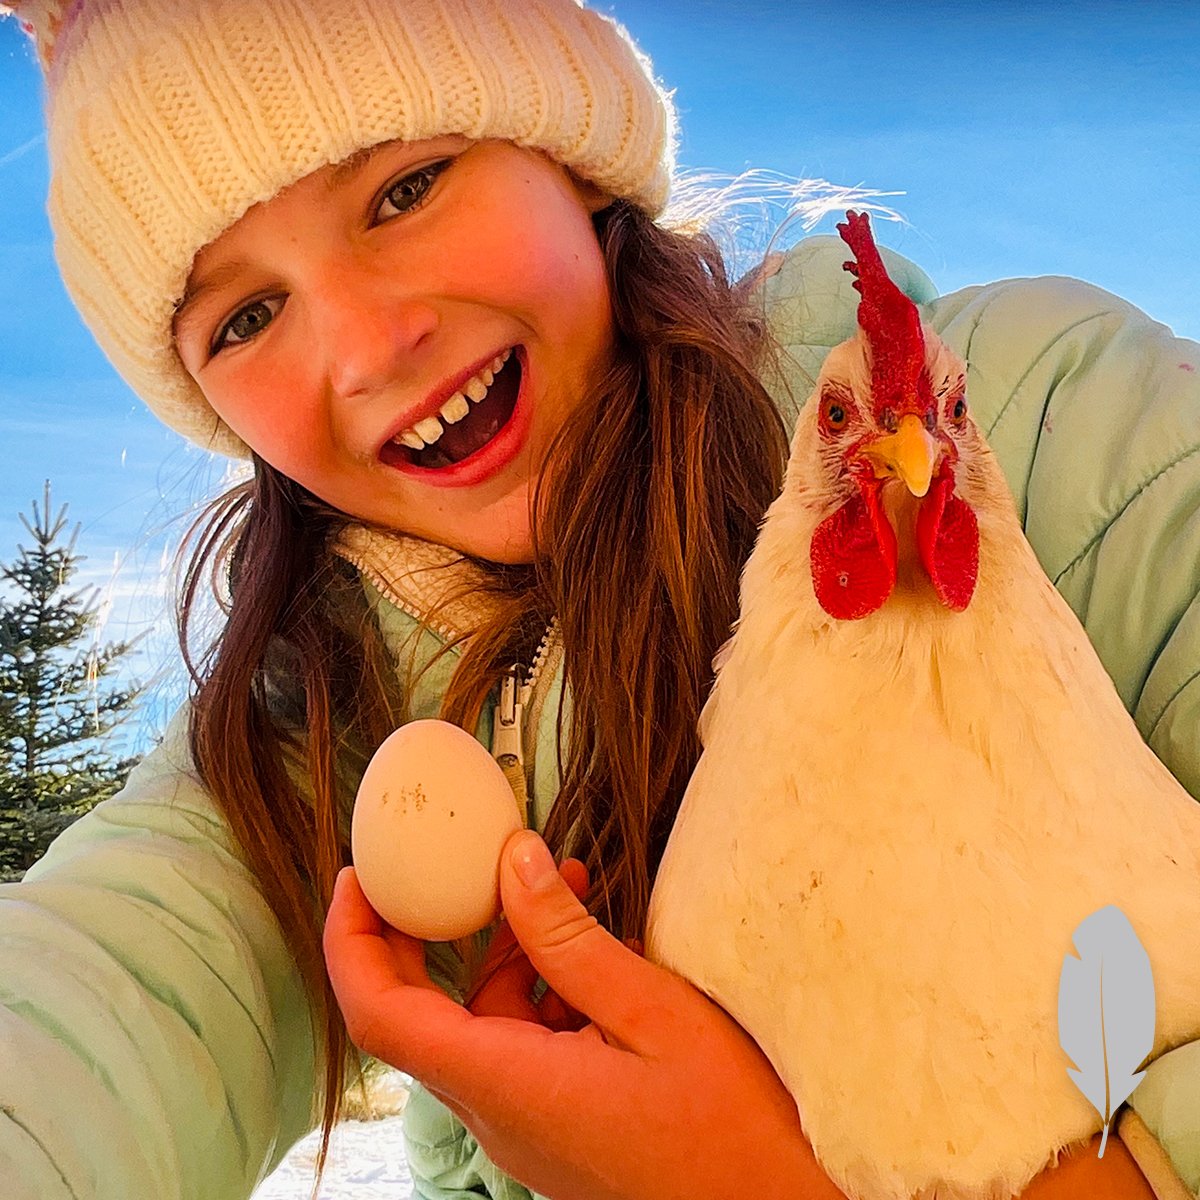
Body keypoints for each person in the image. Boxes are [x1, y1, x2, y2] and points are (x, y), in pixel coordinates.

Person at [1, 1, 1197, 1198]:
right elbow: (88, 1010)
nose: (370, 348)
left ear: (571, 158)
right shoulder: (312, 721)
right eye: (247, 316)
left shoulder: (1072, 423)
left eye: (406, 191)